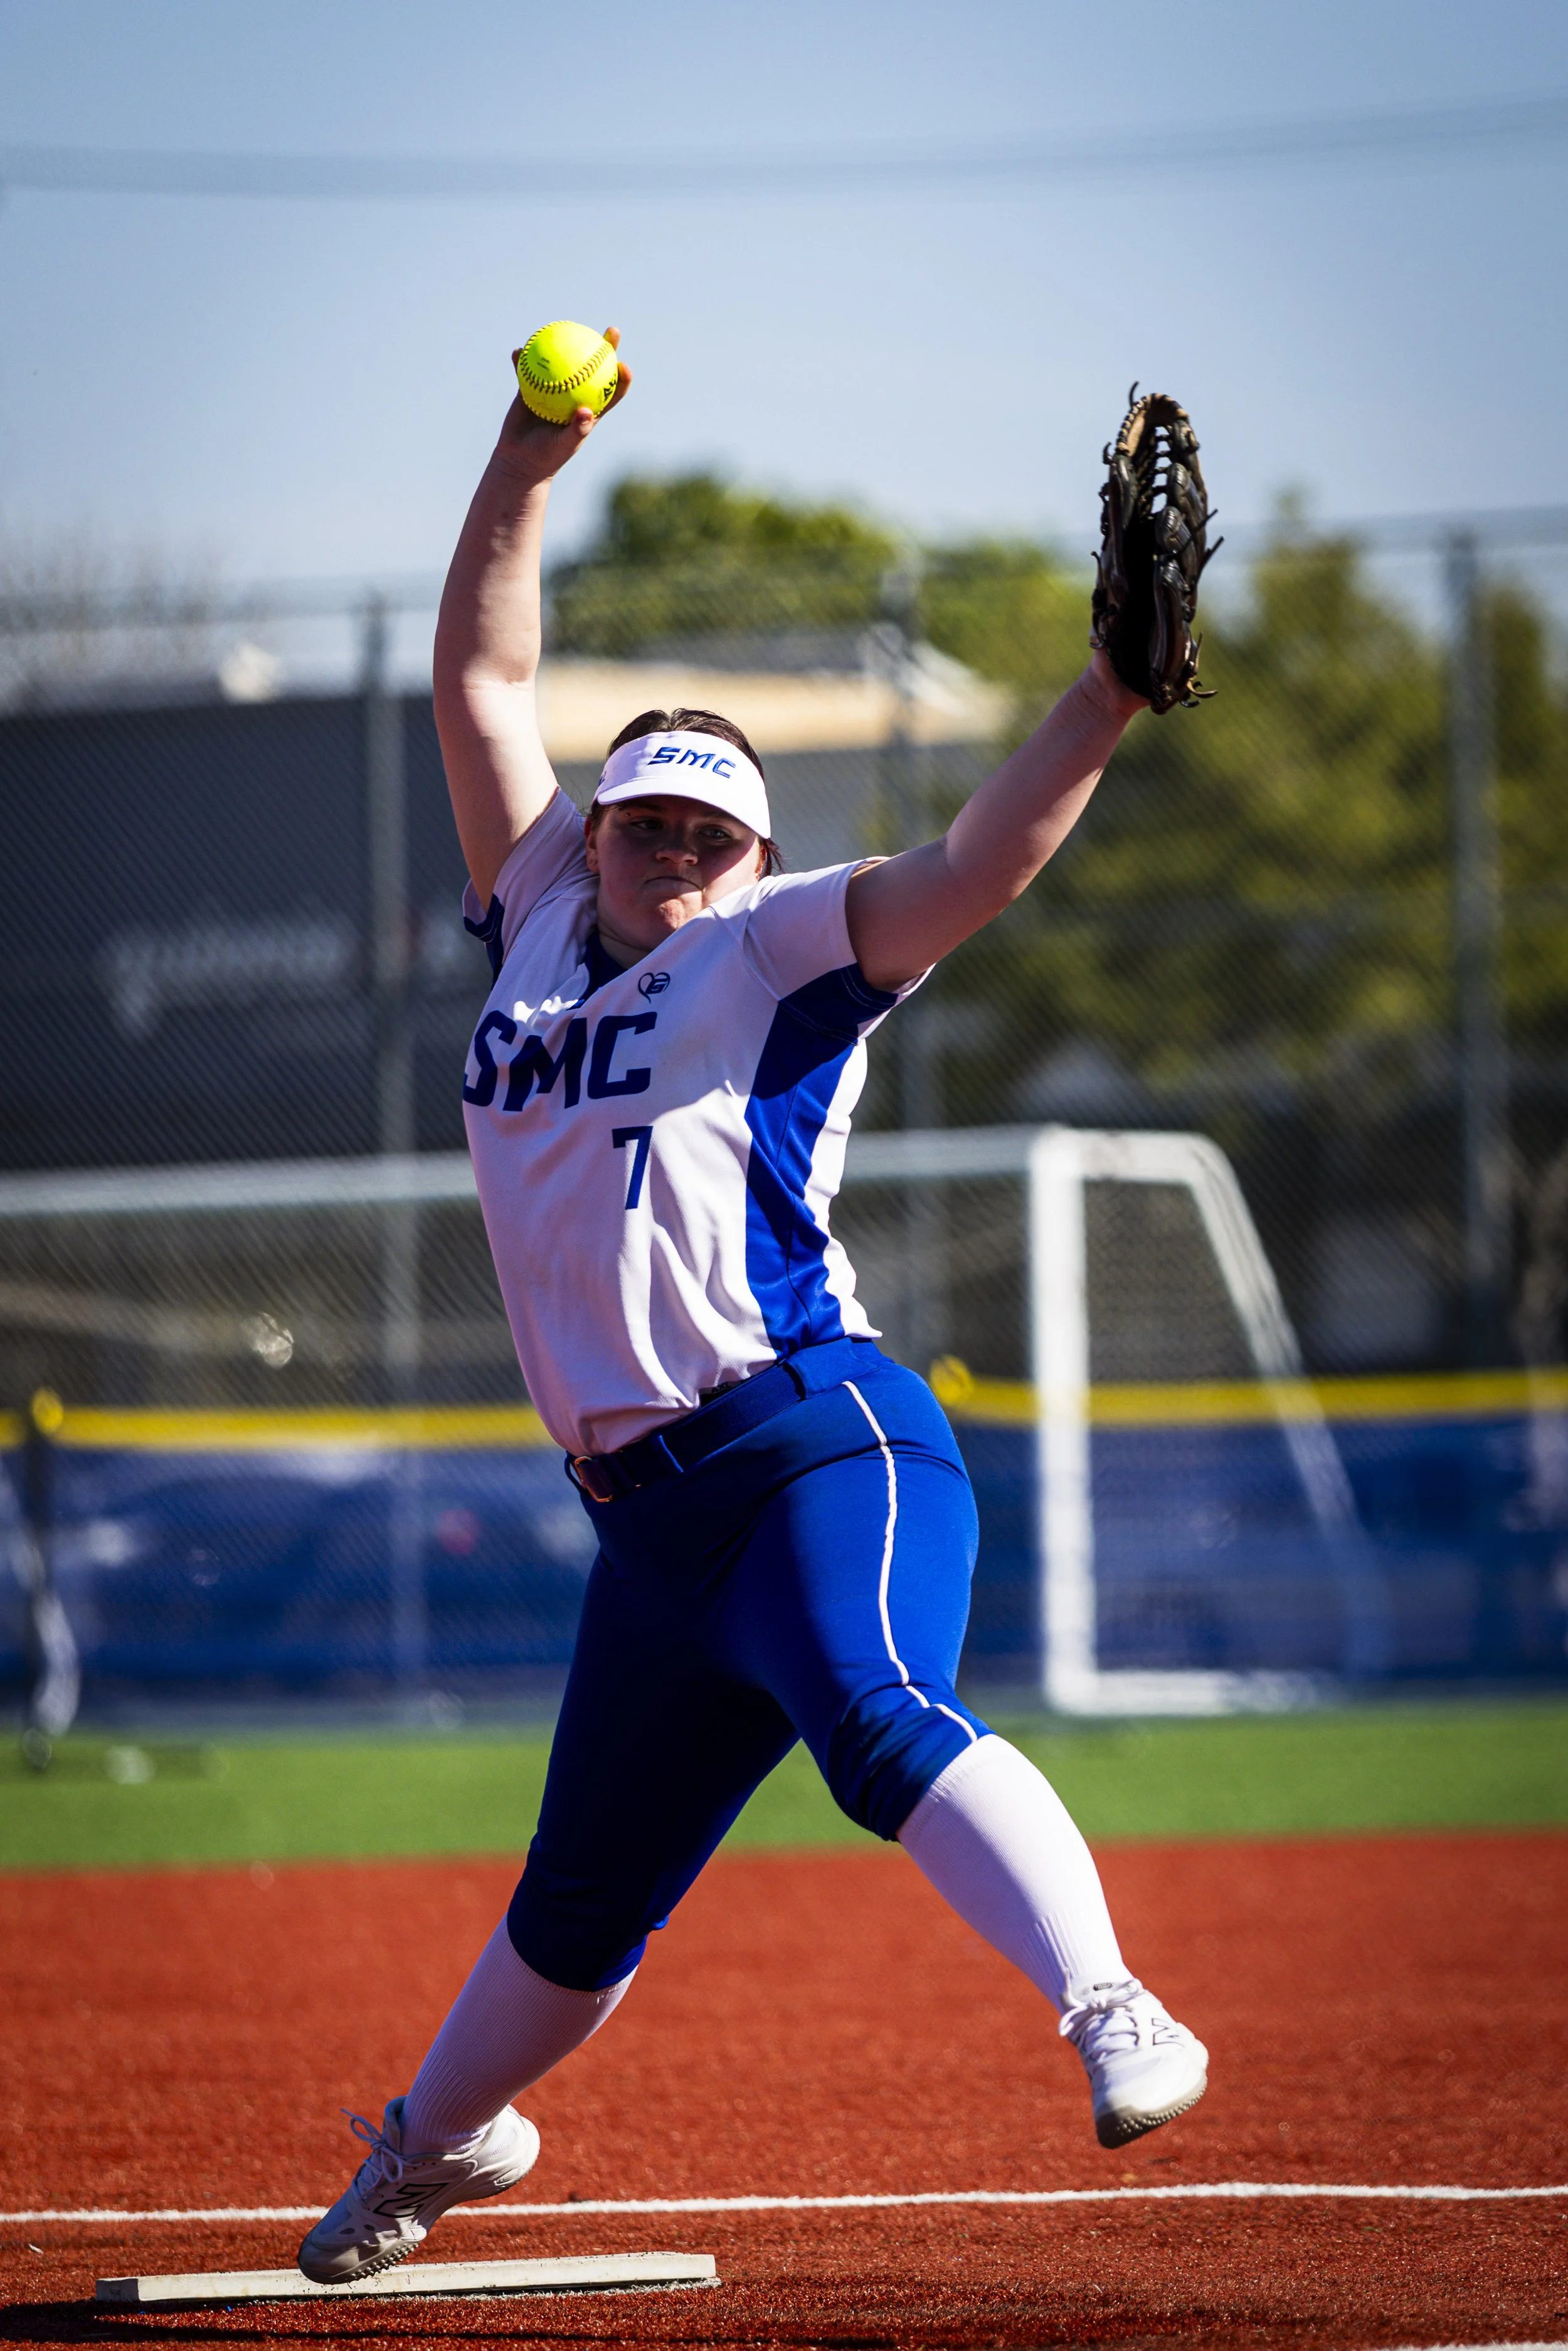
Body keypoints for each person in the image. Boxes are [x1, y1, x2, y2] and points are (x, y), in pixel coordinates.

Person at [299, 332, 1208, 2285]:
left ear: (758, 861)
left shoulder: (778, 956)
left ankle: (1111, 2001)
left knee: (877, 1725)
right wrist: (530, 447)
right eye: (648, 823)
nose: (673, 853)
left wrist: (1107, 697)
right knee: (573, 1907)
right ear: (597, 832)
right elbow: (478, 668)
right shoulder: (539, 909)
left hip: (811, 1439)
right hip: (642, 1525)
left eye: (710, 833)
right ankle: (438, 2140)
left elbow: (976, 862)